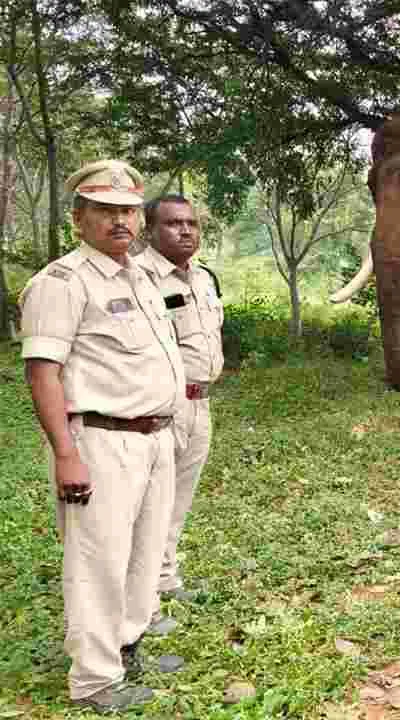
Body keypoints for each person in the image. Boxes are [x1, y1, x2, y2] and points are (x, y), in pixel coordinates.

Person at [19, 160, 186, 712]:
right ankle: (94, 679)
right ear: (79, 218)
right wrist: (66, 454)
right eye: (105, 211)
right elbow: (43, 372)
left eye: (128, 211)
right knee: (98, 560)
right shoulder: (61, 282)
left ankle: (127, 642)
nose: (120, 221)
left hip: (155, 439)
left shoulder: (139, 274)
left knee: (142, 553)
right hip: (100, 440)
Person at [137, 194, 223, 622]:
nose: (185, 230)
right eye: (173, 224)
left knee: (177, 501)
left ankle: (165, 577)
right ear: (149, 230)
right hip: (160, 408)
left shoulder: (204, 279)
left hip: (200, 404)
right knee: (147, 505)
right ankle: (141, 602)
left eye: (191, 223)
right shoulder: (139, 279)